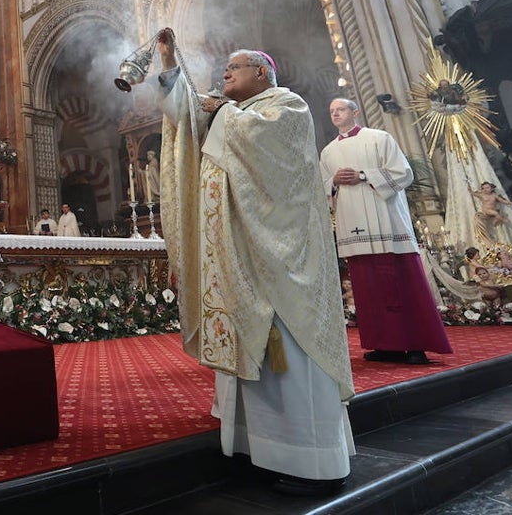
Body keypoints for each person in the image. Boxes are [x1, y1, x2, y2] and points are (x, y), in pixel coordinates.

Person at [155, 28, 354, 495]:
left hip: (278, 267)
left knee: (286, 358)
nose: (225, 72)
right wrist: (168, 62)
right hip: (237, 260)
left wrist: (220, 111)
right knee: (248, 354)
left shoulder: (286, 107)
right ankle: (255, 449)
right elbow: (185, 112)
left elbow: (263, 151)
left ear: (261, 73)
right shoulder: (232, 112)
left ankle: (311, 462)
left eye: (235, 67)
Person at [320, 98, 452, 365]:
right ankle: (385, 345)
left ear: (355, 112)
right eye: (332, 110)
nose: (335, 113)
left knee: (404, 284)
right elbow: (321, 188)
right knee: (368, 291)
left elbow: (403, 173)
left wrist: (364, 175)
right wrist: (332, 181)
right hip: (353, 229)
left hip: (388, 224)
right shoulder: (327, 152)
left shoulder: (379, 138)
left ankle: (417, 346)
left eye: (341, 109)